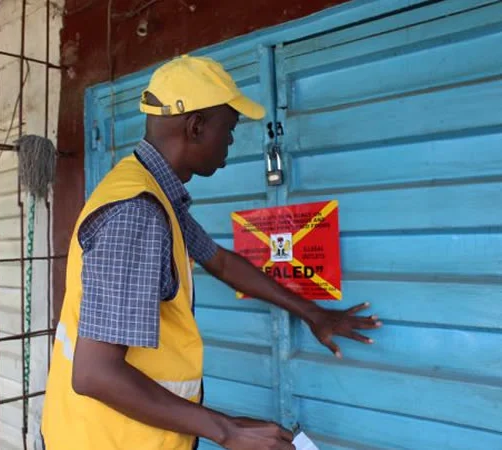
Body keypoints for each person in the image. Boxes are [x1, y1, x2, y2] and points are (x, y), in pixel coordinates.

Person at [41, 55, 382, 450]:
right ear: (196, 126)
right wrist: (227, 431)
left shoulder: (153, 193)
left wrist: (313, 313)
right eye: (230, 128)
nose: (232, 142)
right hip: (108, 440)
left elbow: (218, 260)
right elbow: (95, 374)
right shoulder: (136, 213)